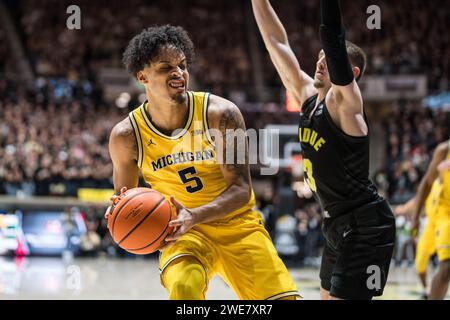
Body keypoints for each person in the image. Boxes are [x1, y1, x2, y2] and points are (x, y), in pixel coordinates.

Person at [106, 25, 300, 300]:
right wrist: (118, 214)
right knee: (185, 289)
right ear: (142, 77)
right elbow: (124, 198)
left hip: (238, 225)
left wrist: (194, 215)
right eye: (165, 68)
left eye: (182, 65)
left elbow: (241, 190)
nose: (178, 73)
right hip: (181, 233)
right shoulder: (126, 136)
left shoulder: (222, 115)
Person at [251, 0, 396, 299]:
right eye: (318, 57)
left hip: (365, 224)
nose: (319, 61)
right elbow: (276, 43)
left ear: (350, 73)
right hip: (335, 223)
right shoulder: (307, 98)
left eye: (328, 58)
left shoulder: (344, 103)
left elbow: (332, 36)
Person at [410, 140, 450, 299]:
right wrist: (415, 217)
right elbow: (426, 184)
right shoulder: (444, 151)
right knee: (446, 267)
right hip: (444, 214)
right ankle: (427, 289)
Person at [395, 181, 441, 299]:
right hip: (427, 230)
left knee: (445, 264)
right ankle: (426, 289)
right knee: (419, 263)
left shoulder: (439, 192)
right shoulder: (418, 200)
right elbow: (400, 210)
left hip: (442, 226)